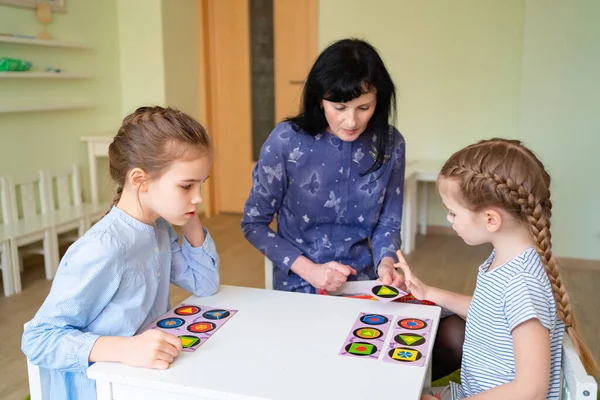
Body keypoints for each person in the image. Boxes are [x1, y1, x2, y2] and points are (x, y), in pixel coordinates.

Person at [241, 38, 464, 380]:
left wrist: (387, 262)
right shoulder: (286, 141)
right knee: (323, 373)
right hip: (302, 290)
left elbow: (388, 222)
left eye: (364, 107)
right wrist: (311, 271)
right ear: (320, 98)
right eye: (339, 107)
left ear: (379, 101)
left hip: (366, 287)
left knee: (454, 338)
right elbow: (253, 223)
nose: (350, 121)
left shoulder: (390, 143)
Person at [22, 106, 220, 399]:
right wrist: (124, 348)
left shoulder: (158, 228)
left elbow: (204, 284)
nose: (198, 197)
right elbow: (38, 339)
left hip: (141, 378)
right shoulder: (102, 249)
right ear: (139, 179)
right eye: (186, 186)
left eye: (200, 184)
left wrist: (189, 216)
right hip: (101, 388)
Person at [395, 138, 598, 400]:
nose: (449, 219)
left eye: (453, 213)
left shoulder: (523, 285)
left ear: (491, 219)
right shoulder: (507, 260)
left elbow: (531, 390)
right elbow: (490, 315)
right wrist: (429, 292)